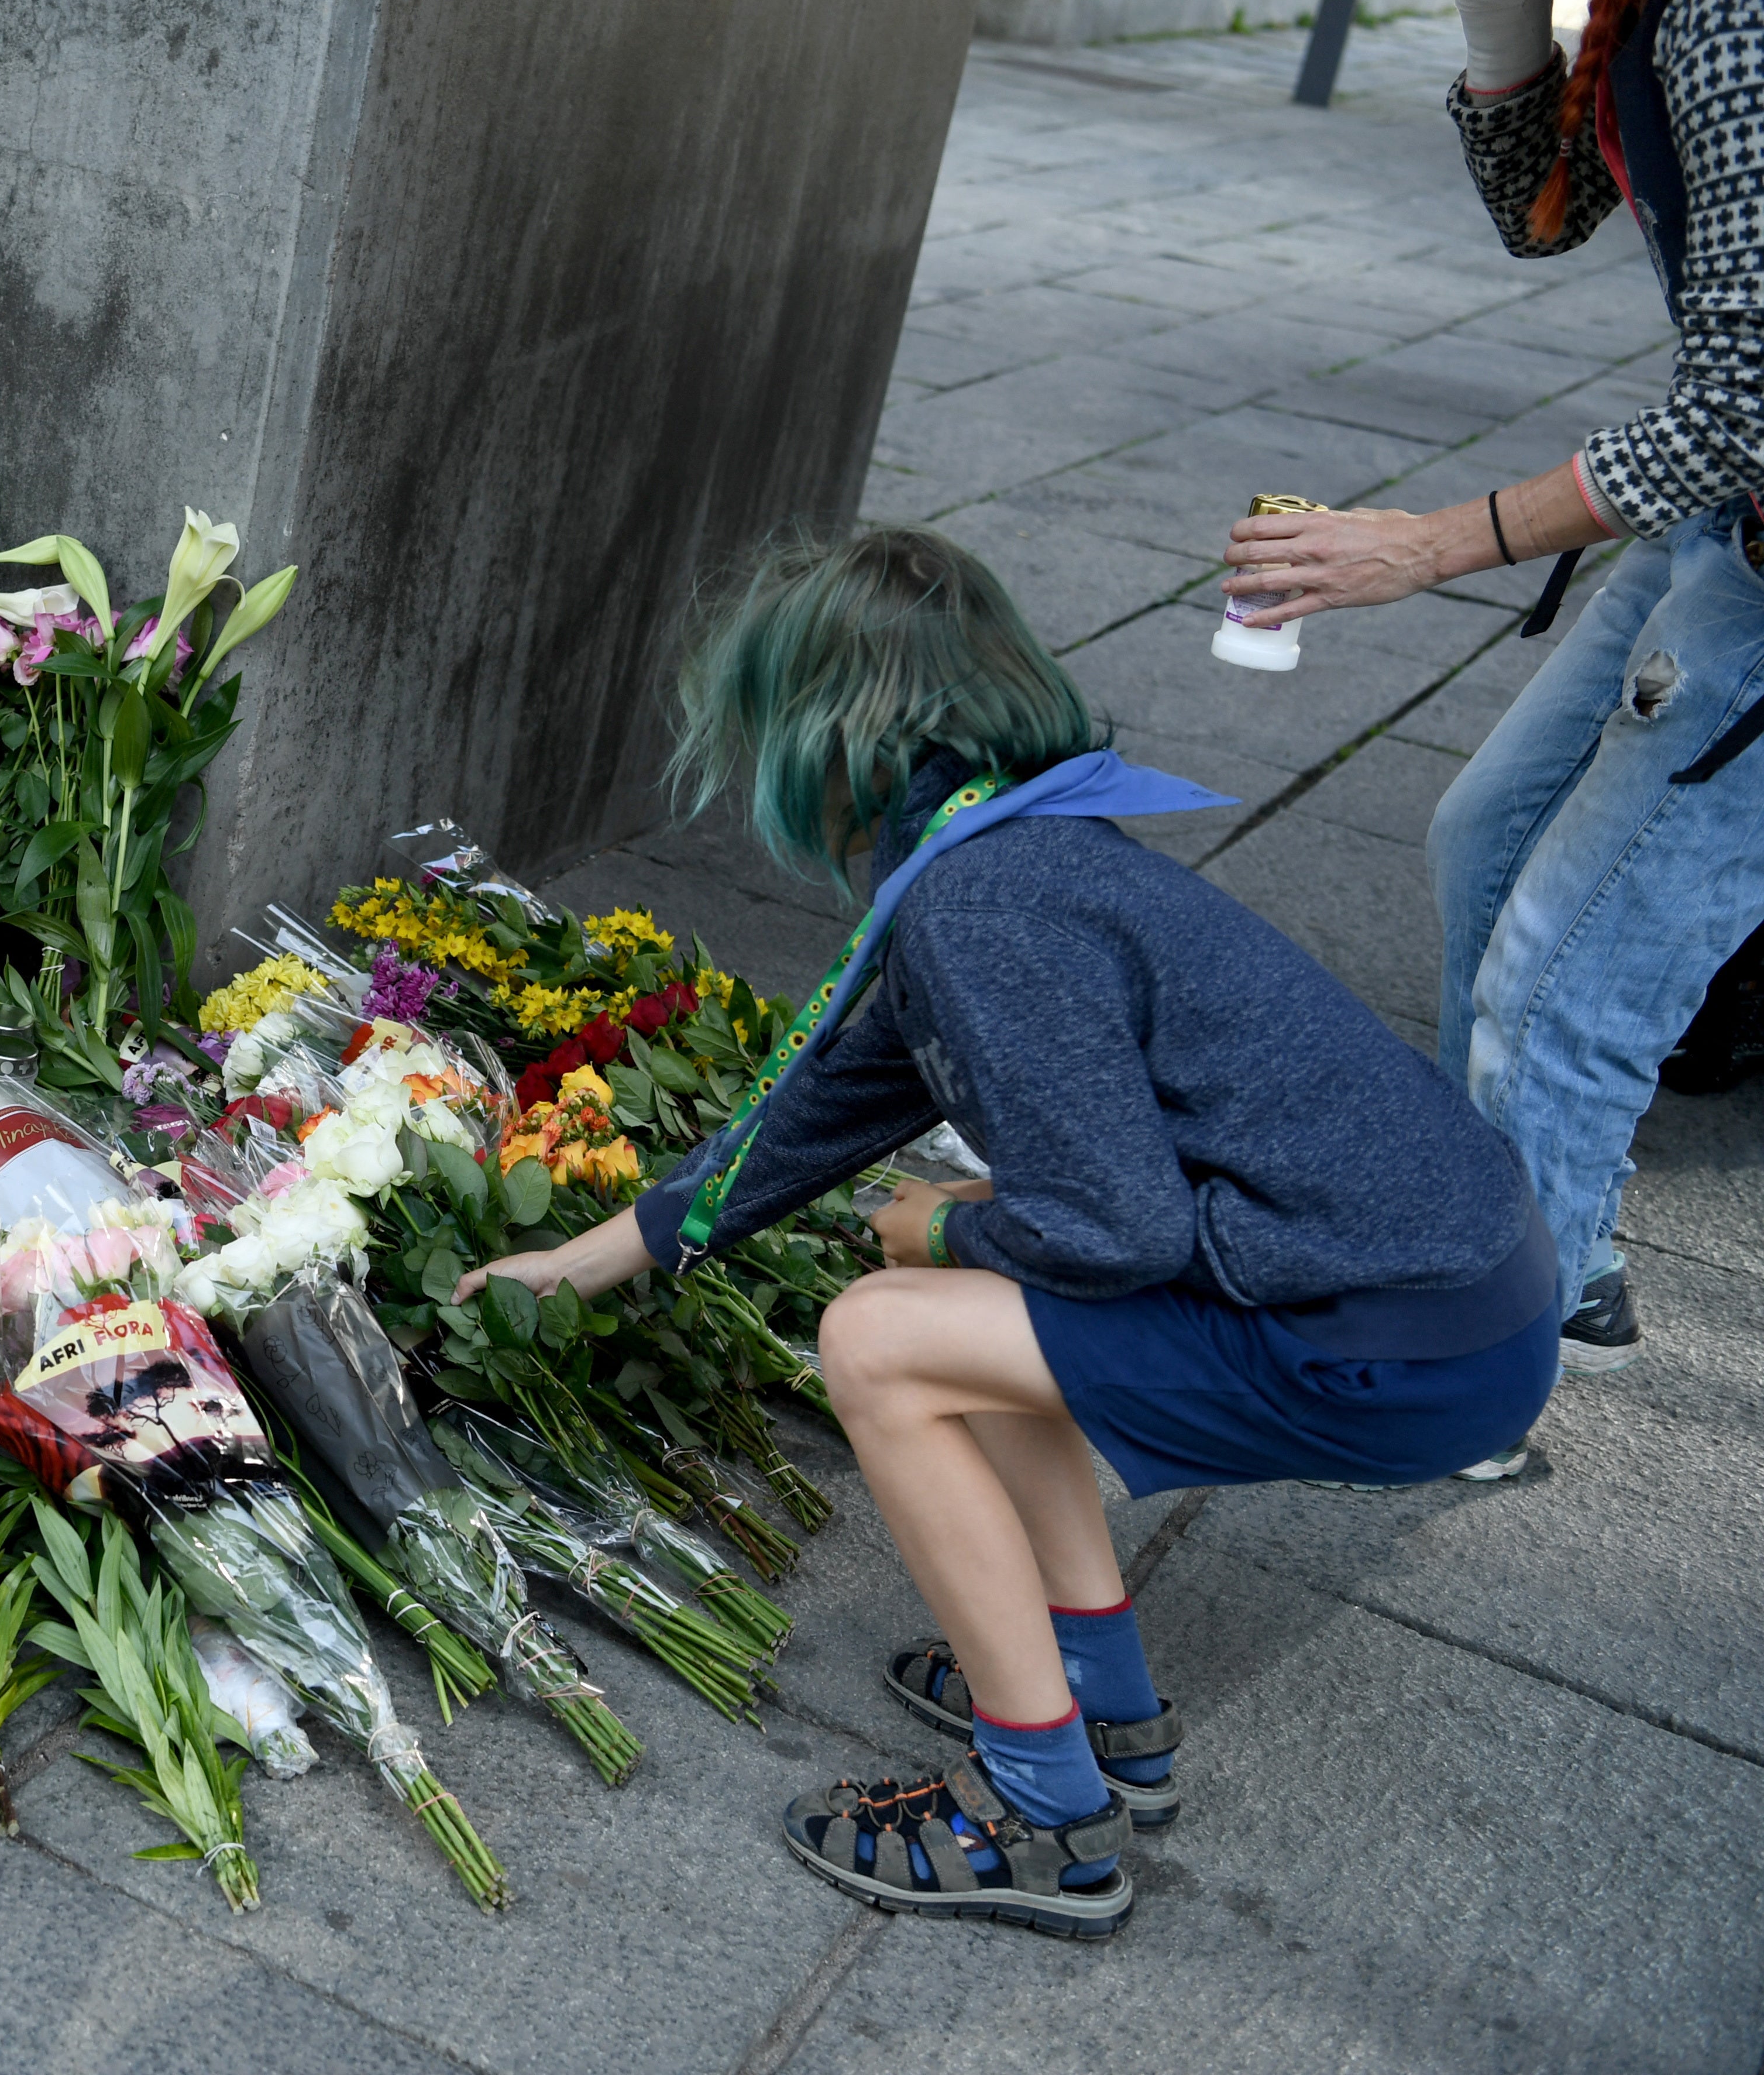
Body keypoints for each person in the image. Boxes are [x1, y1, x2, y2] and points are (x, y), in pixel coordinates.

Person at [459, 528, 1559, 1936]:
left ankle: (1043, 1817)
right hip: (1453, 1294)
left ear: (829, 733)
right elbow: (842, 1092)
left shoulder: (983, 901)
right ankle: (1107, 1712)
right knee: (987, 1312)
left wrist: (936, 1229)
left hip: (1398, 1339)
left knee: (881, 1336)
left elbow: (1111, 1229)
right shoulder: (1016, 840)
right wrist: (599, 1253)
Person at [1220, 0, 1764, 1398]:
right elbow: (1538, 201)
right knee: (1486, 844)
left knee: (1567, 971)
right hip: (1727, 519)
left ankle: (1475, 1369)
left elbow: (1748, 399)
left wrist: (1426, 545)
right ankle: (1540, 1251)